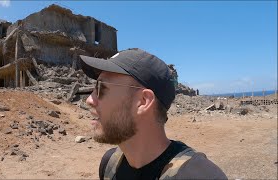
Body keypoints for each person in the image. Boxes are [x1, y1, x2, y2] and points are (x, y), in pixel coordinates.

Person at [79, 48, 227, 180]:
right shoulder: (109, 165)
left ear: (143, 101)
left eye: (101, 88)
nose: (89, 100)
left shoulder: (200, 176)